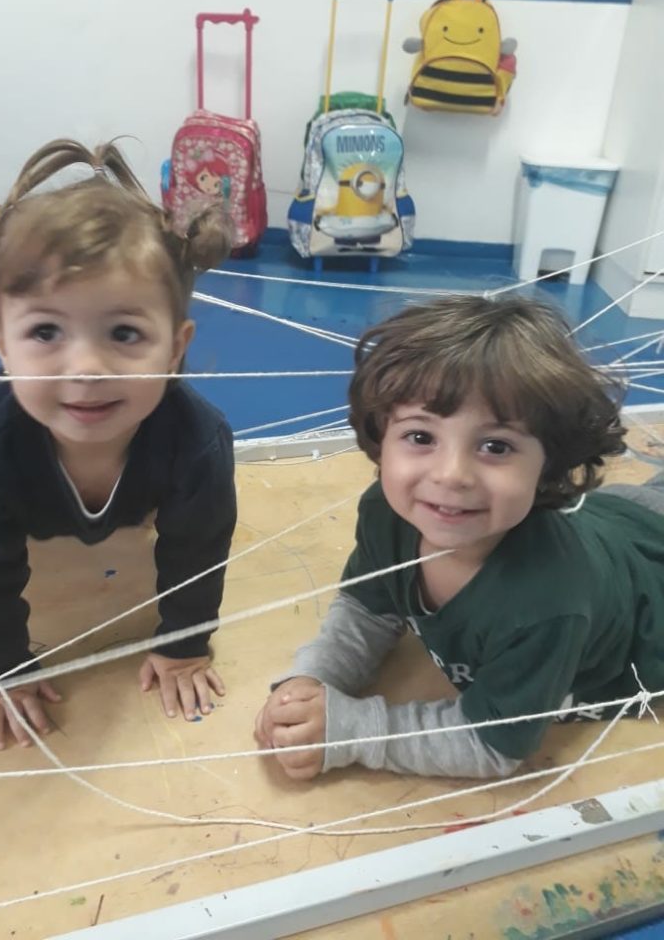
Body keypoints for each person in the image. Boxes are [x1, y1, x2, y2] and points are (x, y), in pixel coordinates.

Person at [255, 295, 664, 780]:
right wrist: (311, 681)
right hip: (619, 523)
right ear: (381, 438)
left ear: (549, 465)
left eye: (495, 446)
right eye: (421, 437)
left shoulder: (548, 600)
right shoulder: (386, 512)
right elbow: (368, 608)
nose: (451, 475)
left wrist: (350, 731)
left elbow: (491, 744)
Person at [0, 138, 236, 749]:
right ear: (0, 341)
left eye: (124, 333)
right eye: (46, 331)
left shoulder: (197, 442)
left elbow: (198, 550)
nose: (87, 368)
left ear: (175, 347)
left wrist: (184, 645)